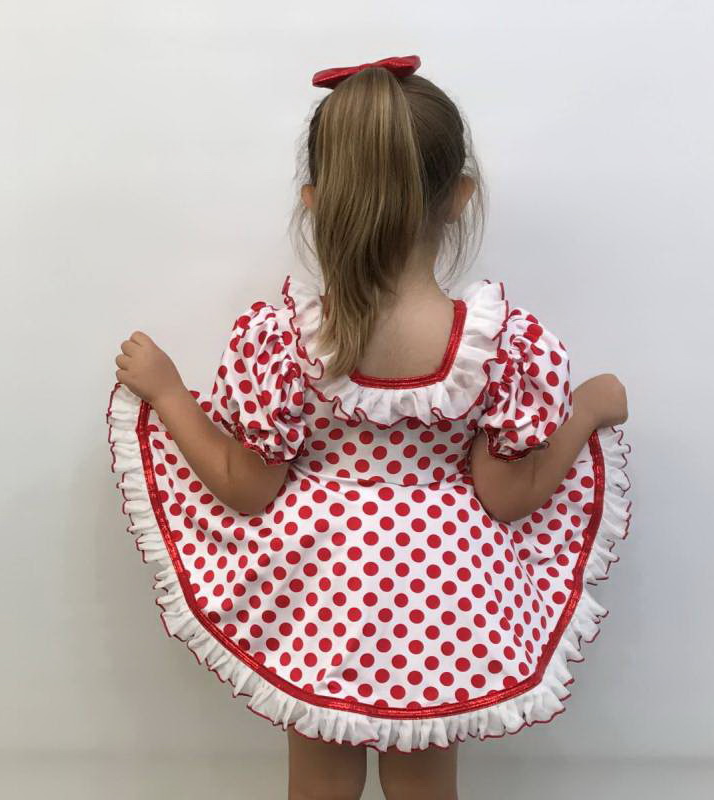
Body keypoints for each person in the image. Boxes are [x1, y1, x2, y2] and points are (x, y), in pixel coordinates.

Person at [107, 55, 632, 800]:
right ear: (460, 197)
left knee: (320, 781)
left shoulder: (282, 343)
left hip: (321, 591)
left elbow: (245, 489)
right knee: (424, 782)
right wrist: (585, 410)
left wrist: (167, 393)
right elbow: (507, 497)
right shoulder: (497, 346)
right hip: (445, 598)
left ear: (315, 202)